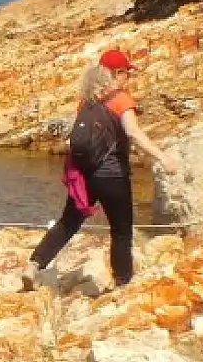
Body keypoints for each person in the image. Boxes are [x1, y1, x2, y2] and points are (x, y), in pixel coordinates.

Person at [25, 49, 181, 293]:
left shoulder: (85, 101)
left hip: (85, 176)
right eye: (126, 74)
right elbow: (132, 133)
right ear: (117, 74)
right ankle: (123, 284)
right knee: (121, 231)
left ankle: (34, 265)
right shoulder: (122, 100)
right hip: (112, 176)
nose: (128, 79)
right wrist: (162, 158)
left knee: (68, 223)